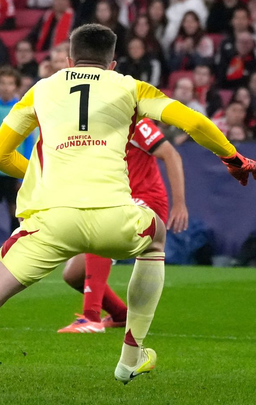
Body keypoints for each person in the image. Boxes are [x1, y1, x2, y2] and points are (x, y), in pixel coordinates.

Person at [0, 23, 256, 393]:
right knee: (156, 236)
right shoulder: (130, 87)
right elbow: (194, 123)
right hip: (115, 218)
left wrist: (41, 175)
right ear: (112, 63)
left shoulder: (42, 89)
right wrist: (233, 158)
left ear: (68, 60)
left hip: (51, 222)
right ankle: (130, 358)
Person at [58, 117, 189, 333]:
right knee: (73, 274)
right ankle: (120, 315)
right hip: (119, 202)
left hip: (147, 202)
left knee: (102, 228)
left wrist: (180, 204)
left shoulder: (135, 122)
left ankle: (90, 318)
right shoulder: (91, 131)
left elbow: (171, 154)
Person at [0, 68, 34, 233]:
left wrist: (25, 171)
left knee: (15, 208)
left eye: (10, 83)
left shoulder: (23, 108)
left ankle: (15, 243)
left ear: (17, 86)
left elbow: (28, 142)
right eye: (3, 83)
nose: (6, 87)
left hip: (14, 166)